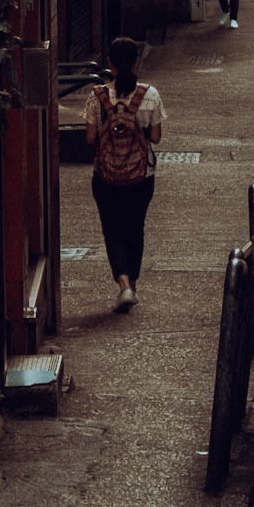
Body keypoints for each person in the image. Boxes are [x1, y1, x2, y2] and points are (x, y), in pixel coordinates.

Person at [84, 36, 164, 312]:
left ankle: (124, 284)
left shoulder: (97, 96)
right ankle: (134, 283)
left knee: (112, 229)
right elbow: (155, 137)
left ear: (109, 64)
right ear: (136, 62)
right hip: (141, 176)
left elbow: (90, 136)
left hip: (105, 177)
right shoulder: (150, 94)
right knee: (135, 227)